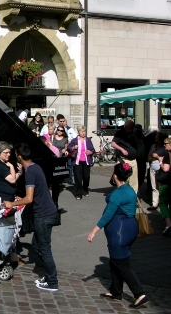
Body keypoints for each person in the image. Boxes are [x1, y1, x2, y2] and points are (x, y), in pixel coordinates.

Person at [87, 162, 148, 308]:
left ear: (115, 176)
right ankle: (116, 291)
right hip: (130, 229)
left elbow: (107, 216)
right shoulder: (130, 190)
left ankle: (139, 294)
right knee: (116, 261)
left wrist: (93, 232)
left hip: (119, 233)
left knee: (121, 264)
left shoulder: (117, 195)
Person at [11, 143, 59, 292]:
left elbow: (29, 198)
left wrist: (12, 203)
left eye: (15, 154)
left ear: (19, 157)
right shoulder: (35, 167)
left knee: (44, 249)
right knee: (37, 246)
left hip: (43, 215)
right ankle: (48, 275)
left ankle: (52, 281)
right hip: (48, 212)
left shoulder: (30, 172)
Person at [68, 126, 95, 200]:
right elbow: (69, 148)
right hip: (77, 162)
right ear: (78, 132)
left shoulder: (88, 140)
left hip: (86, 161)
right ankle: (78, 194)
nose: (83, 133)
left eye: (84, 131)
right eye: (82, 131)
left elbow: (93, 150)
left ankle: (85, 190)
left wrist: (90, 152)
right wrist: (73, 147)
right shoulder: (74, 140)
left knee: (86, 177)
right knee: (78, 178)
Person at [111, 120, 138, 193]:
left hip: (133, 160)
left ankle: (133, 195)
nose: (132, 129)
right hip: (124, 160)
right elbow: (113, 144)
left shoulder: (133, 134)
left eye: (133, 127)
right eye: (130, 127)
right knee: (124, 179)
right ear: (125, 127)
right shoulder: (120, 133)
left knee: (134, 181)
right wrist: (122, 149)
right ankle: (123, 194)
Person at [147, 131, 168, 211]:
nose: (155, 137)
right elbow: (148, 158)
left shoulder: (165, 147)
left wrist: (158, 156)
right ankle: (155, 203)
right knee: (154, 186)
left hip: (161, 169)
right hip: (153, 167)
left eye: (157, 136)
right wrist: (151, 156)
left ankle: (164, 202)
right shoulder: (153, 146)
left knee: (162, 186)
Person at [158, 138, 171, 236]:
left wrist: (160, 162)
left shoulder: (167, 154)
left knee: (163, 202)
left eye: (166, 143)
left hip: (167, 182)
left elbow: (166, 169)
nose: (164, 145)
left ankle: (168, 224)